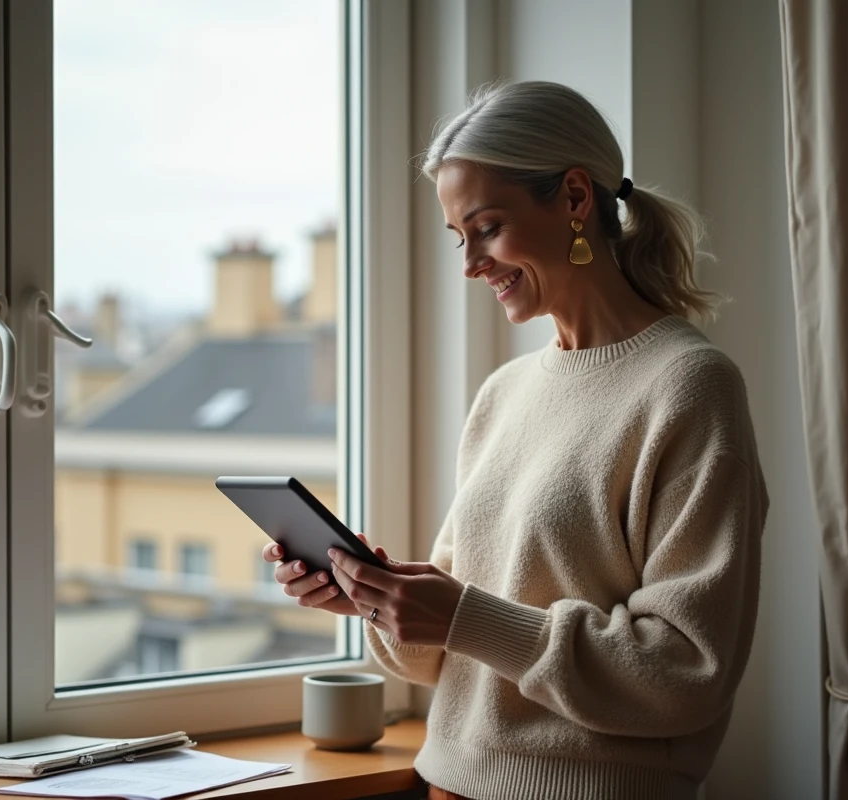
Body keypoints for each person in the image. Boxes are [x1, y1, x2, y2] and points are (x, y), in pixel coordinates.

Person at [263, 80, 769, 800]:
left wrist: (465, 616)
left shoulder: (689, 387)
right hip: (446, 785)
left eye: (488, 227)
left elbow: (686, 672)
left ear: (572, 198)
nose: (470, 263)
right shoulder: (504, 393)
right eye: (458, 237)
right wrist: (374, 597)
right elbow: (451, 652)